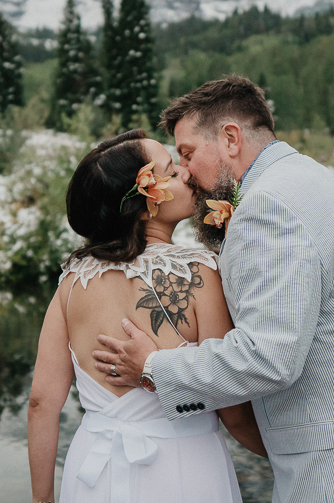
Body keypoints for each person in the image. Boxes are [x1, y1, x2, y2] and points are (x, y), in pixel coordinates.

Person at [93, 76, 334, 503]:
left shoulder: (266, 208)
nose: (185, 172)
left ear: (230, 138)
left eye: (189, 153)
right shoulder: (304, 175)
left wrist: (156, 366)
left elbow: (270, 356)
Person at [27, 130, 266, 503]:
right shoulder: (200, 272)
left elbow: (42, 402)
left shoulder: (72, 282)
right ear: (142, 205)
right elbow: (231, 406)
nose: (186, 174)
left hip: (93, 470)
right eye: (171, 172)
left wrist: (42, 499)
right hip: (183, 466)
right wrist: (287, 457)